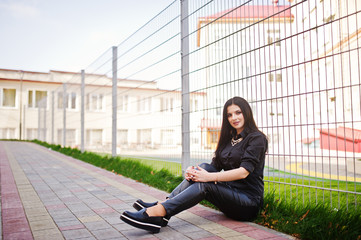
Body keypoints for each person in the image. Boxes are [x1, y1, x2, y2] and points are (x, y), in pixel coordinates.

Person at [120, 96, 268, 233]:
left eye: (238, 112)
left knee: (205, 183)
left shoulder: (256, 138)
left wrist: (208, 177)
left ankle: (158, 212)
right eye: (229, 115)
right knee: (202, 168)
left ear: (246, 113)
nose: (234, 118)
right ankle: (163, 208)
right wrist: (194, 173)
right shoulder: (228, 139)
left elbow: (243, 172)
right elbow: (213, 166)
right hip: (229, 196)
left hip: (248, 203)